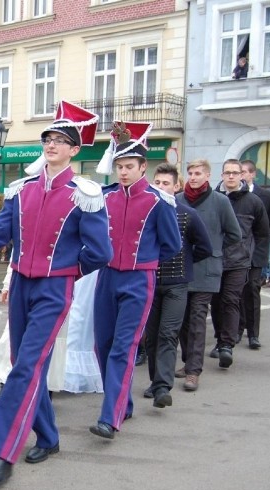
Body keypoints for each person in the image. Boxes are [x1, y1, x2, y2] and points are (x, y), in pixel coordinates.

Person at [0, 101, 112, 484]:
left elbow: (101, 252)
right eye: (48, 138)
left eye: (60, 140)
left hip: (54, 289)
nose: (51, 144)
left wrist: (68, 272)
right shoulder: (22, 189)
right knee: (28, 365)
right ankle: (47, 437)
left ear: (74, 150)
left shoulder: (85, 193)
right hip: (20, 285)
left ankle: (1, 452)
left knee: (25, 367)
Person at [90, 121, 181, 440]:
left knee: (123, 348)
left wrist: (145, 260)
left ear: (144, 167)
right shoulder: (105, 196)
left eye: (129, 166)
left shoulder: (158, 201)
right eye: (119, 166)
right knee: (102, 344)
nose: (123, 172)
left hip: (138, 281)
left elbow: (172, 244)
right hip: (107, 277)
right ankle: (122, 402)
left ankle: (110, 416)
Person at [142, 163, 212, 407]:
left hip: (177, 285)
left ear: (176, 187)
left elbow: (205, 248)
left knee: (168, 334)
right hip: (150, 282)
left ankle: (163, 387)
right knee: (150, 336)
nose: (161, 187)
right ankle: (155, 382)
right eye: (157, 183)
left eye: (166, 184)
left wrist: (186, 263)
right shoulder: (145, 212)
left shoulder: (188, 214)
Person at [176, 159, 241, 391]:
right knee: (182, 319)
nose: (193, 177)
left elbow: (235, 234)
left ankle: (194, 371)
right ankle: (187, 361)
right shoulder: (178, 200)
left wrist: (214, 248)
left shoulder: (220, 201)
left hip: (207, 269)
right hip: (183, 268)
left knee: (197, 319)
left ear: (208, 176)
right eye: (190, 173)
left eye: (198, 173)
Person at [209, 159, 269, 370]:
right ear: (222, 175)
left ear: (242, 175)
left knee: (231, 301)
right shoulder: (213, 198)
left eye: (235, 172)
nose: (232, 176)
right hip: (215, 260)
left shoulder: (253, 202)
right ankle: (219, 339)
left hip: (239, 262)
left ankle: (227, 345)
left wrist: (256, 261)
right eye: (228, 173)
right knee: (215, 303)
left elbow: (263, 234)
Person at [239, 160, 270, 339]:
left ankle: (253, 334)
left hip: (256, 253)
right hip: (236, 254)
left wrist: (262, 245)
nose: (240, 175)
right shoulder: (228, 195)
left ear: (253, 174)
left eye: (243, 172)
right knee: (236, 292)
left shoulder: (267, 197)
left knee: (253, 290)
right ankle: (237, 330)